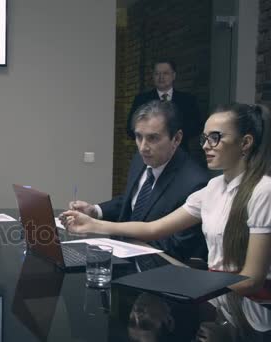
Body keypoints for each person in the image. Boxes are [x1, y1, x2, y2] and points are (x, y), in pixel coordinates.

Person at [62, 103, 271, 298]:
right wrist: (93, 224)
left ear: (245, 142)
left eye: (215, 137)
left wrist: (194, 281)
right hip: (217, 297)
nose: (206, 146)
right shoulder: (213, 187)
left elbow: (251, 281)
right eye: (204, 138)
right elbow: (153, 229)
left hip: (249, 306)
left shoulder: (263, 190)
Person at [70, 100, 209, 261]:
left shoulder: (195, 182)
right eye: (138, 136)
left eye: (153, 138)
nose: (143, 147)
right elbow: (131, 203)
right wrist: (95, 210)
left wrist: (121, 237)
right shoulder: (140, 159)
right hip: (121, 256)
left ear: (176, 139)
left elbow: (178, 246)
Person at [127, 60, 202, 148]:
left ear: (173, 75)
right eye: (157, 73)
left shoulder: (188, 100)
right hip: (149, 153)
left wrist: (172, 137)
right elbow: (130, 128)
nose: (161, 77)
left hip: (179, 152)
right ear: (153, 76)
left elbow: (197, 127)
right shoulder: (142, 100)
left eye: (165, 73)